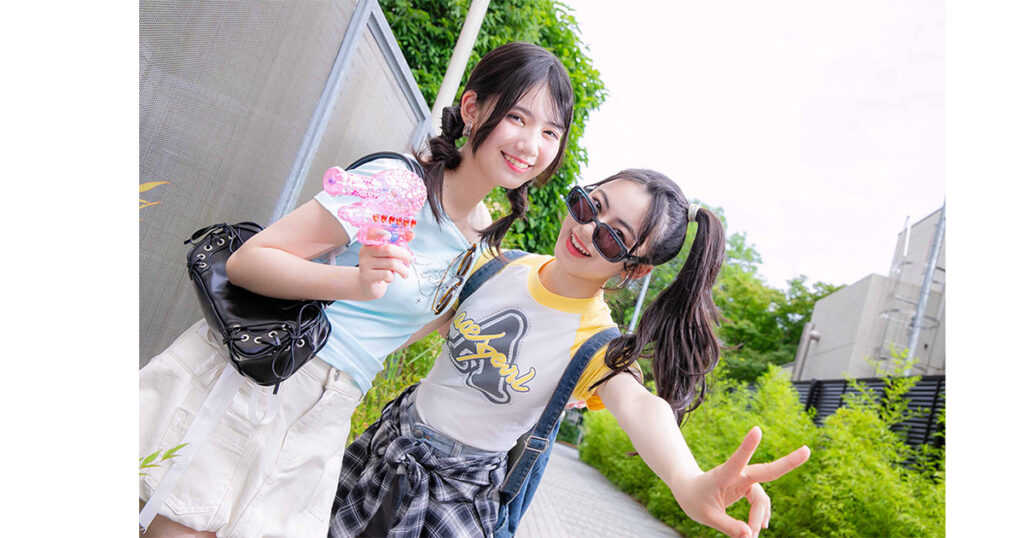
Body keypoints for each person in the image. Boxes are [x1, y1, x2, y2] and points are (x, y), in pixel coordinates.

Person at [138, 41, 576, 538]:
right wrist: (353, 282)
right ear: (473, 108)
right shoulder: (396, 183)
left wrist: (555, 377)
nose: (531, 144)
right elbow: (248, 261)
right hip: (269, 378)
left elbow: (432, 330)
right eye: (517, 117)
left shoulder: (480, 240)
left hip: (329, 413)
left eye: (550, 131)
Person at [330, 169, 812, 538]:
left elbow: (639, 404)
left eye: (613, 237)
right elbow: (407, 324)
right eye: (588, 205)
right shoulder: (500, 264)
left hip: (455, 496)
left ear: (634, 270)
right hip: (386, 444)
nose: (585, 229)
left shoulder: (595, 343)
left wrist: (687, 480)